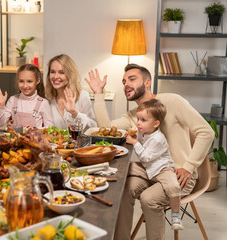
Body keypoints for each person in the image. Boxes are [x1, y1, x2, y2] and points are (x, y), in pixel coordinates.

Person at [85, 64, 214, 239]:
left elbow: (206, 132)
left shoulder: (172, 101)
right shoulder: (134, 116)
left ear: (147, 83)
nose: (126, 84)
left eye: (132, 79)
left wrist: (189, 167)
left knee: (148, 199)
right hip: (151, 171)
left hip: (179, 176)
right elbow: (106, 128)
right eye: (124, 81)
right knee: (123, 185)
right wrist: (99, 93)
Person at [126, 99, 184, 230]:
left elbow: (146, 157)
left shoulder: (158, 139)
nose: (138, 123)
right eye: (138, 118)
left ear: (156, 123)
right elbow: (135, 131)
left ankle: (176, 216)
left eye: (143, 120)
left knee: (173, 186)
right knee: (126, 168)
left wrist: (135, 143)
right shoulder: (143, 131)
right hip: (149, 169)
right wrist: (130, 134)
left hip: (162, 169)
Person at [0, 63, 53, 128]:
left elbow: (49, 127)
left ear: (38, 81)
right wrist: (1, 105)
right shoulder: (13, 100)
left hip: (34, 138)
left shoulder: (43, 103)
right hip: (15, 138)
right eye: (21, 81)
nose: (25, 86)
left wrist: (35, 130)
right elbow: (0, 123)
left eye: (29, 81)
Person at [45, 54, 97, 131]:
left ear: (70, 74)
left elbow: (93, 127)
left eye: (61, 72)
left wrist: (75, 113)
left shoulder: (82, 96)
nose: (55, 76)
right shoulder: (47, 98)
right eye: (52, 72)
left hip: (79, 142)